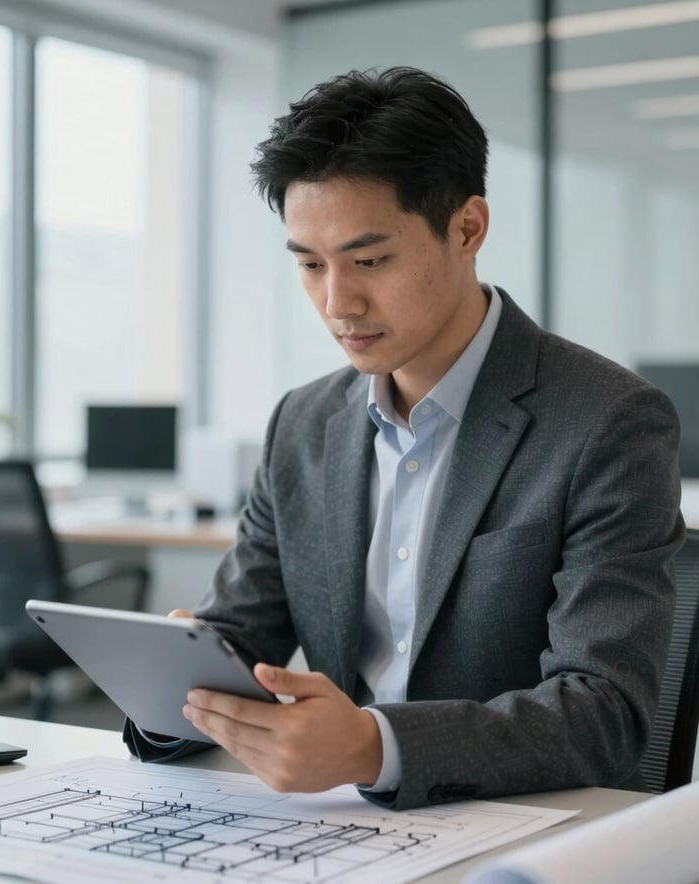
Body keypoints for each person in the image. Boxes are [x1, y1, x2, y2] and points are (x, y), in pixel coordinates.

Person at [124, 66, 685, 811]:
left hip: (521, 829)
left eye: (369, 260)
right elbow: (236, 639)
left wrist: (372, 746)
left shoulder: (607, 421)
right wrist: (172, 694)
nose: (337, 302)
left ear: (468, 228)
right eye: (309, 265)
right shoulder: (302, 423)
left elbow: (605, 713)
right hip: (337, 830)